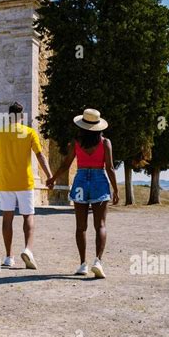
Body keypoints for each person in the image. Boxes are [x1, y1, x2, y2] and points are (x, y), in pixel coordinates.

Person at [46, 108, 119, 278]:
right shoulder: (105, 142)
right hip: (99, 180)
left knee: (81, 226)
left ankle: (82, 264)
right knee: (100, 225)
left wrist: (53, 178)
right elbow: (110, 168)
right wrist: (115, 189)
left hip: (80, 181)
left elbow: (66, 165)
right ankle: (98, 262)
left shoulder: (76, 143)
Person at [0, 102, 52, 270]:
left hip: (6, 183)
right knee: (28, 216)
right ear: (22, 117)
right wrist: (50, 176)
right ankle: (28, 250)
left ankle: (9, 257)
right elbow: (40, 155)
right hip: (25, 182)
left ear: (9, 116)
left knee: (7, 219)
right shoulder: (29, 132)